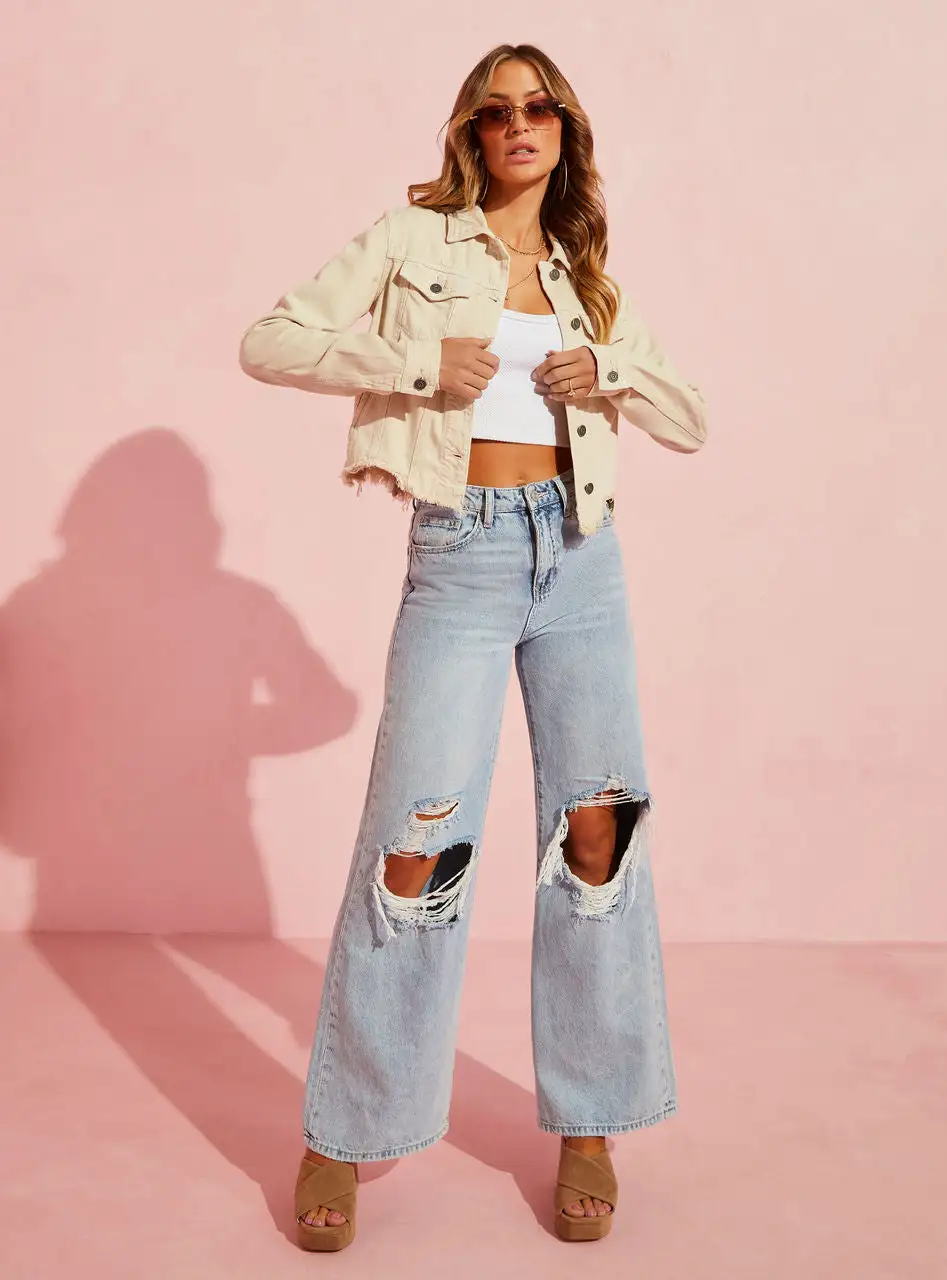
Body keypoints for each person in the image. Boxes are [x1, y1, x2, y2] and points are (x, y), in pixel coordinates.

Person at [238, 41, 707, 1248]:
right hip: (463, 551)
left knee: (598, 835)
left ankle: (592, 1118)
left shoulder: (585, 278)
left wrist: (607, 369)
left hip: (582, 559)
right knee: (417, 842)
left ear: (564, 130)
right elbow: (271, 338)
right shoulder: (411, 241)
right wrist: (411, 361)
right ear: (471, 132)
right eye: (496, 110)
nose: (518, 124)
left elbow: (689, 418)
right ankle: (349, 1124)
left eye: (538, 106)